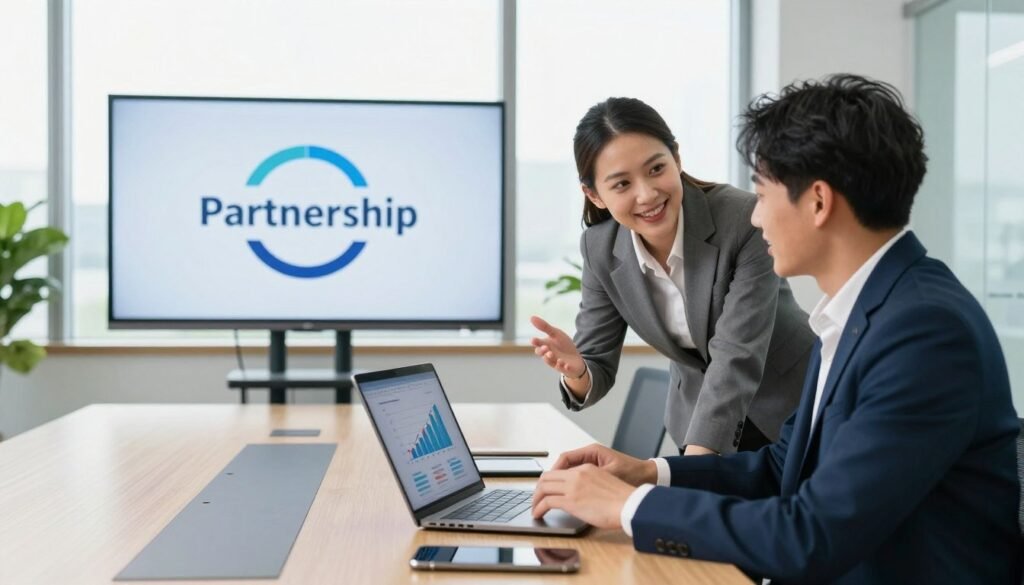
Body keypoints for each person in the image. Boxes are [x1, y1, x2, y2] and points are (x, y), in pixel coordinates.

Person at [530, 75, 1022, 584]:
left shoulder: (923, 333)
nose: (756, 216)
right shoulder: (861, 313)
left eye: (763, 193)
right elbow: (780, 468)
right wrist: (649, 474)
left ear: (817, 201)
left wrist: (632, 507)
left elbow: (811, 535)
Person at [531, 97, 815, 455]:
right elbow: (596, 363)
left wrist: (693, 472)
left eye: (655, 169)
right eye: (621, 184)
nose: (647, 194)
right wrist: (577, 372)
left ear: (676, 159)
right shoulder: (600, 249)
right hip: (698, 419)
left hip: (793, 408)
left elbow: (736, 355)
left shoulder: (742, 219)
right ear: (593, 194)